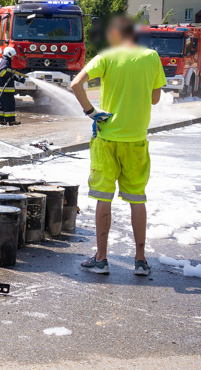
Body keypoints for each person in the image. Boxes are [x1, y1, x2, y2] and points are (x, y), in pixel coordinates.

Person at [70, 15, 166, 276]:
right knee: (137, 198)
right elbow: (155, 99)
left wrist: (91, 112)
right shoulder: (151, 57)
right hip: (135, 140)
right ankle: (140, 260)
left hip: (106, 137)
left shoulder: (106, 57)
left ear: (115, 35)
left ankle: (101, 259)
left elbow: (76, 84)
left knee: (103, 197)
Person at [0, 46, 25, 125]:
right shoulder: (5, 62)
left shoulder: (4, 61)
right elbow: (1, 72)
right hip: (6, 90)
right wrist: (11, 75)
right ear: (9, 54)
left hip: (1, 89)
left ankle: (0, 120)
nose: (13, 58)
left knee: (1, 106)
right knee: (9, 105)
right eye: (13, 56)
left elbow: (8, 73)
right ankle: (11, 120)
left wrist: (18, 79)